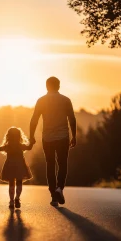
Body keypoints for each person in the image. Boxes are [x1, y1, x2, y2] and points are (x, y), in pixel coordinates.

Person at [29, 77, 76, 206]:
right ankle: (59, 188)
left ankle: (53, 196)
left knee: (50, 165)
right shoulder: (66, 100)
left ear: (46, 86)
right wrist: (74, 136)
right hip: (63, 137)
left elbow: (34, 119)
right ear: (59, 86)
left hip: (47, 138)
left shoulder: (41, 100)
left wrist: (31, 136)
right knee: (62, 164)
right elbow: (72, 119)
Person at [0, 127, 33, 209]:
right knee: (19, 182)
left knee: (11, 183)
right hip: (20, 166)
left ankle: (12, 201)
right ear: (19, 136)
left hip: (10, 166)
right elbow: (29, 147)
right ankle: (17, 198)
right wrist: (32, 142)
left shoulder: (8, 146)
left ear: (8, 136)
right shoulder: (20, 145)